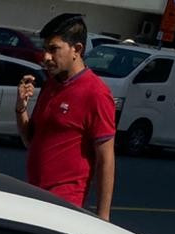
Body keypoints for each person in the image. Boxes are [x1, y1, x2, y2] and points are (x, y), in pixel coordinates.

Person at [14, 13, 117, 220]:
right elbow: (30, 141)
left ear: (76, 50)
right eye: (45, 49)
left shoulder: (96, 93)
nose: (46, 57)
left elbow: (105, 159)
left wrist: (103, 218)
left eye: (54, 49)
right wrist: (21, 109)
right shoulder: (51, 85)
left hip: (62, 209)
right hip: (33, 198)